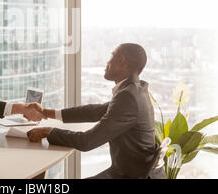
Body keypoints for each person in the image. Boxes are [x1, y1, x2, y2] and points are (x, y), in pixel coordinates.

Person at [27, 43, 166, 179]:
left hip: (135, 175)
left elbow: (87, 141)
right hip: (133, 172)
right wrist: (46, 112)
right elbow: (94, 111)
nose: (107, 62)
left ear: (122, 61)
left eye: (112, 57)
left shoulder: (128, 97)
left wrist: (48, 132)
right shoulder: (135, 90)